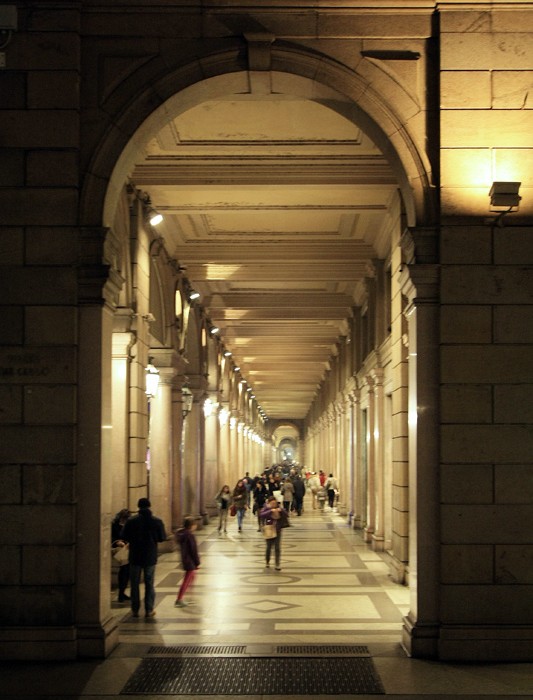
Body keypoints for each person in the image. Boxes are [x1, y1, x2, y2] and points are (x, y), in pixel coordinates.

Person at [121, 497, 167, 618]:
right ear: (149, 506)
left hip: (135, 555)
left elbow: (124, 536)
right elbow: (162, 537)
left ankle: (135, 610)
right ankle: (149, 609)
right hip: (150, 556)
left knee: (134, 584)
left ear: (138, 506)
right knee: (149, 583)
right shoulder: (157, 521)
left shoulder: (131, 521)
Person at [174, 515, 200, 608]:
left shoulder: (181, 534)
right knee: (186, 580)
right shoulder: (190, 535)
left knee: (192, 577)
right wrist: (197, 562)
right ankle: (179, 599)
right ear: (191, 525)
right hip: (190, 561)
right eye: (195, 524)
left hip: (185, 559)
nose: (196, 526)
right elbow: (193, 550)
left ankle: (190, 596)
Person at [260, 496, 288, 571]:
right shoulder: (266, 508)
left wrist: (281, 511)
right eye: (272, 503)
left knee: (277, 548)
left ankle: (277, 564)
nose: (273, 504)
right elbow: (262, 515)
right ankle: (267, 561)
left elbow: (286, 514)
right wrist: (270, 511)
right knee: (269, 547)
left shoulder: (279, 507)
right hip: (269, 529)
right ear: (269, 503)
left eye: (274, 503)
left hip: (277, 530)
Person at [111, 508, 131, 602]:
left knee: (126, 571)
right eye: (123, 518)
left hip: (126, 549)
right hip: (117, 549)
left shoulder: (129, 524)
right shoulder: (114, 524)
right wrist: (117, 542)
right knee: (124, 570)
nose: (124, 520)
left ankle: (122, 593)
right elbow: (111, 536)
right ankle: (121, 594)